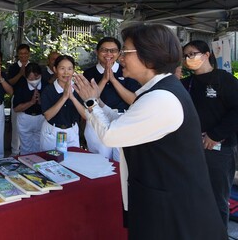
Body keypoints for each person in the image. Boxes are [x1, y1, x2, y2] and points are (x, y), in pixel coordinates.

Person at [73, 24, 226, 240]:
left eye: (125, 52)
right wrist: (97, 102)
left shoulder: (162, 98)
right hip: (162, 201)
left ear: (150, 57)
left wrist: (90, 102)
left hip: (173, 211)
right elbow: (126, 122)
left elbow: (112, 135)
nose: (120, 59)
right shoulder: (156, 91)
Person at [181, 40, 238, 228]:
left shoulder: (224, 79)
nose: (189, 58)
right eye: (186, 55)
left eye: (193, 53)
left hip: (219, 150)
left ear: (206, 55)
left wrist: (215, 135)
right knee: (191, 195)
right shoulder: (185, 83)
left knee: (217, 199)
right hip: (191, 148)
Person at [82, 37, 140, 161]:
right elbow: (88, 99)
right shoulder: (88, 73)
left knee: (121, 163)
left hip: (122, 120)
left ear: (119, 53)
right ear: (96, 52)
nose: (108, 54)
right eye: (104, 50)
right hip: (96, 120)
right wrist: (104, 79)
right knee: (99, 162)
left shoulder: (127, 71)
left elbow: (134, 101)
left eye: (113, 50)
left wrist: (113, 80)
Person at [40, 55, 85, 151]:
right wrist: (64, 97)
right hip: (53, 131)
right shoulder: (48, 90)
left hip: (72, 131)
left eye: (69, 69)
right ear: (55, 69)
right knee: (51, 162)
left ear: (73, 70)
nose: (66, 72)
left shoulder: (78, 89)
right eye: (62, 68)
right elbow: (48, 115)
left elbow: (85, 115)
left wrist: (72, 98)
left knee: (73, 162)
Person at [13, 62, 46, 154]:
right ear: (26, 77)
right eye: (31, 79)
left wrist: (40, 101)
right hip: (25, 118)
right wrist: (31, 102)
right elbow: (16, 108)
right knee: (26, 146)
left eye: (36, 78)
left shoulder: (46, 85)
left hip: (41, 118)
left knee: (40, 145)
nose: (34, 81)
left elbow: (50, 107)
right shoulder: (21, 86)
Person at [7, 43, 31, 156]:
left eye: (25, 53)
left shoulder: (33, 66)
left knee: (30, 125)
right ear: (18, 55)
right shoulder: (13, 67)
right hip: (17, 99)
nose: (23, 56)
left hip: (31, 100)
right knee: (16, 126)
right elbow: (10, 82)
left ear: (29, 54)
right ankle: (15, 152)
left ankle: (28, 151)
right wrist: (21, 74)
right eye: (21, 54)